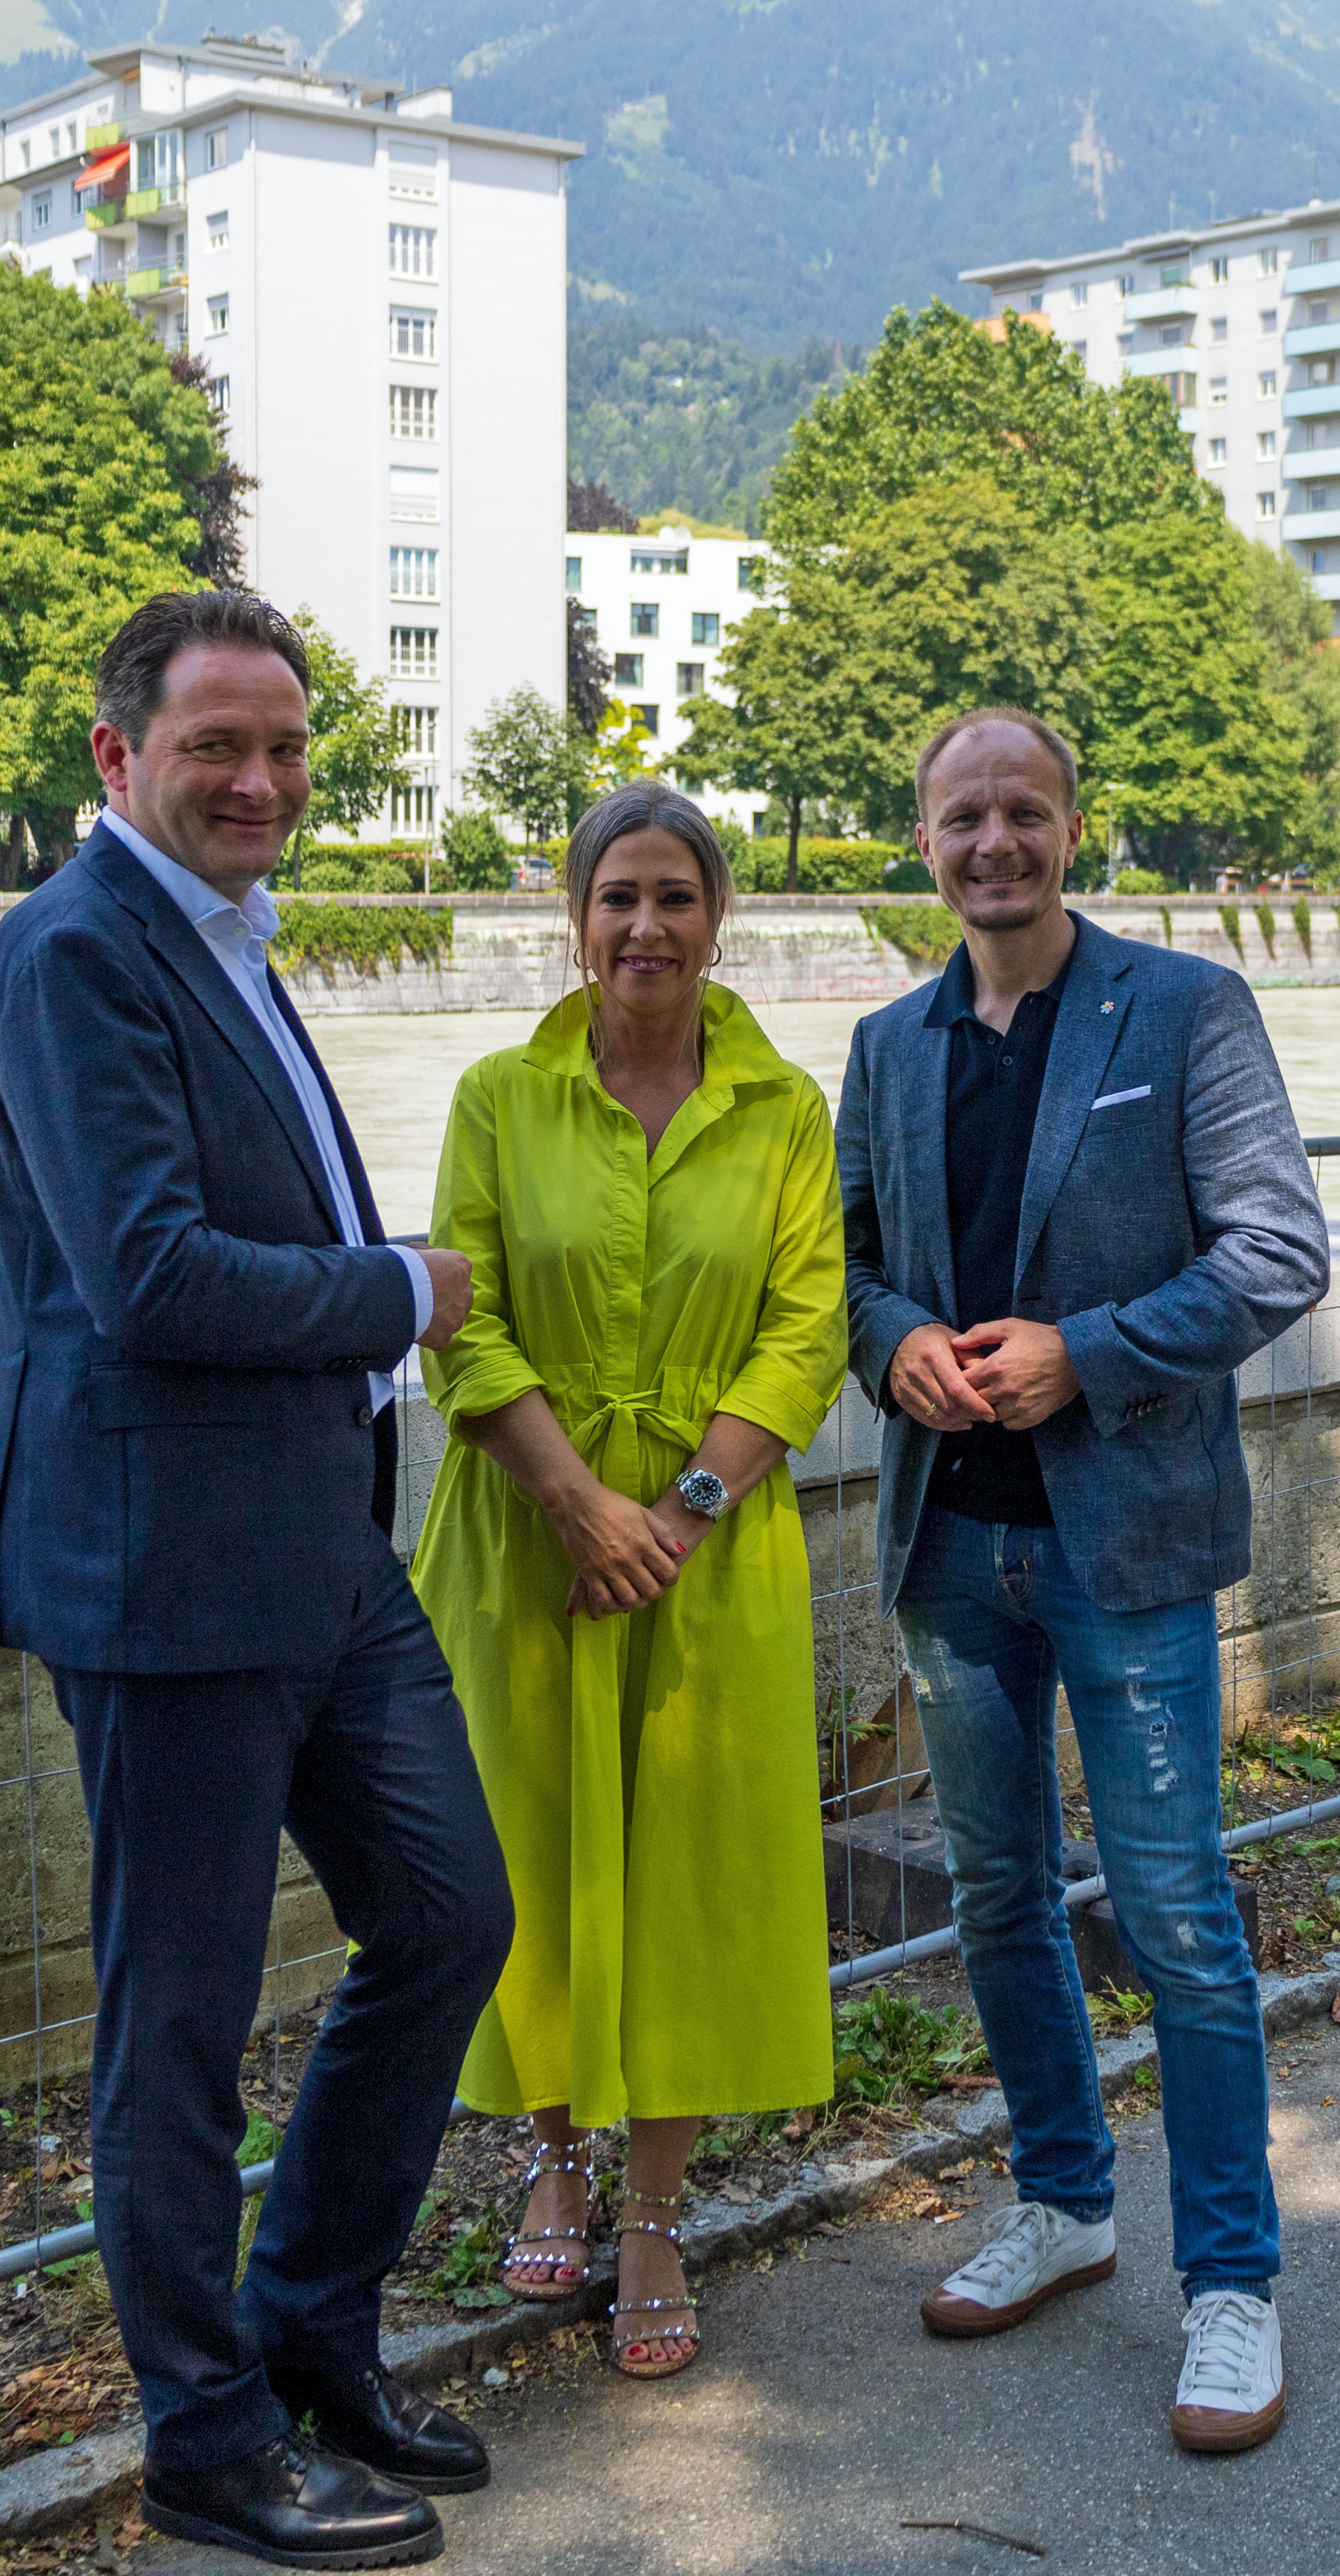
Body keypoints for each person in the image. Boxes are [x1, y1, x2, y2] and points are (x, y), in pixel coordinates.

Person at [0, 591, 514, 2569]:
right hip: (157, 1572)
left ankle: (309, 2330)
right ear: (119, 760)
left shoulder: (221, 942)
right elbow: (150, 1273)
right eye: (219, 747)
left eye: (285, 748)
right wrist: (409, 1291)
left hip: (319, 1547)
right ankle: (209, 2442)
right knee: (176, 2030)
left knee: (452, 1916)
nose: (263, 781)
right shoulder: (69, 955)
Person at [832, 707, 1331, 2452]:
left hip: (1124, 1543)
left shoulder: (1182, 1011)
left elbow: (1279, 1250)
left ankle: (1231, 2286)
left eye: (1022, 811)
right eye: (962, 816)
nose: (993, 843)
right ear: (925, 839)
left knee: (1180, 1913)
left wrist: (1086, 1352)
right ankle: (1064, 2199)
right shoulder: (887, 1045)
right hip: (952, 1548)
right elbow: (853, 1270)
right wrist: (892, 1343)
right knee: (995, 1898)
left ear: (1070, 824)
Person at [407, 780, 846, 2381]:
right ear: (573, 919)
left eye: (675, 895)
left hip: (709, 1551)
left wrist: (682, 1504)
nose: (646, 926)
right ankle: (554, 2159)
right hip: (527, 1535)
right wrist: (583, 1504)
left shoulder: (785, 1110)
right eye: (617, 897)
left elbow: (807, 1326)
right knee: (524, 1860)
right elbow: (460, 1309)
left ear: (717, 917)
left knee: (684, 1877)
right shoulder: (494, 1096)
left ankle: (654, 2210)